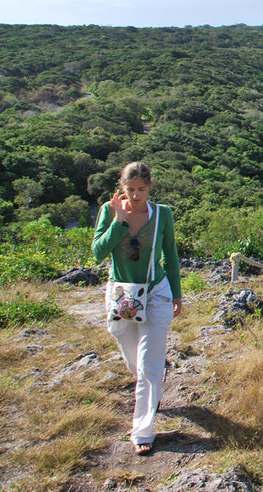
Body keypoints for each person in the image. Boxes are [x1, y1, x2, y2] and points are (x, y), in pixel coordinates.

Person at [92, 161, 183, 456]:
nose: (136, 196)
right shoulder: (109, 211)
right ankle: (151, 390)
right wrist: (119, 222)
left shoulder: (163, 214)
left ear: (150, 187)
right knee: (133, 359)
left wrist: (177, 294)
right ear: (122, 187)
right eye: (130, 190)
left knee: (148, 365)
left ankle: (142, 430)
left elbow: (170, 256)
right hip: (122, 295)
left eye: (141, 190)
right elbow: (97, 253)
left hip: (156, 292)